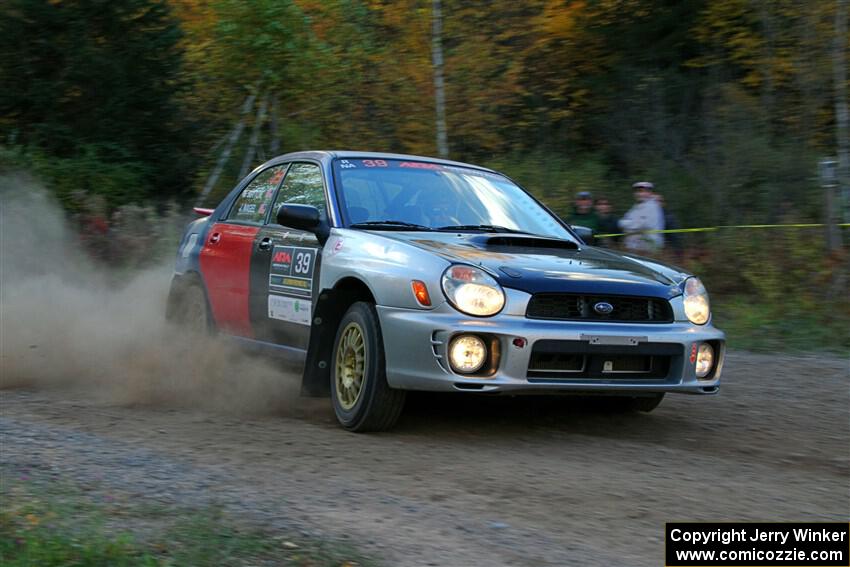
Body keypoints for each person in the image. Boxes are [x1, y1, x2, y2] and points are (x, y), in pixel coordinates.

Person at [619, 181, 664, 251]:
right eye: (638, 191)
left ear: (650, 193)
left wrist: (627, 224)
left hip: (648, 247)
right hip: (635, 246)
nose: (640, 194)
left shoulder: (653, 206)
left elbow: (642, 224)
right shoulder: (635, 207)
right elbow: (623, 222)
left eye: (644, 191)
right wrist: (628, 224)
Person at [656, 194, 683, 260]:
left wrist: (677, 252)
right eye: (653, 201)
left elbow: (676, 236)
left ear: (663, 203)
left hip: (666, 250)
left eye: (658, 201)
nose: (656, 203)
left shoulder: (668, 217)